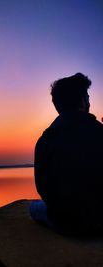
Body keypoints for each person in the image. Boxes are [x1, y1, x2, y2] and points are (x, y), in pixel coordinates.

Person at [30, 73, 103, 236]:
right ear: (83, 101)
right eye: (87, 97)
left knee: (34, 207)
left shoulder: (45, 141)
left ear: (58, 106)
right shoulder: (100, 131)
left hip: (68, 225)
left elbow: (43, 189)